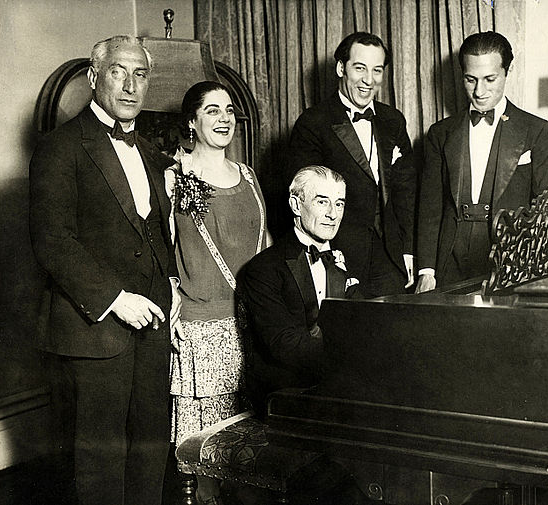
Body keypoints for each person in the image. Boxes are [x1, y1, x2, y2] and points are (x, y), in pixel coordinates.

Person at [29, 35, 180, 505]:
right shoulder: (60, 147)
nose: (132, 85)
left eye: (141, 74)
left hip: (153, 327)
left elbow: (155, 228)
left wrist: (171, 282)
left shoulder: (153, 152)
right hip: (93, 329)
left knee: (150, 452)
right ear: (95, 78)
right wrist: (116, 299)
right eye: (119, 72)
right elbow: (52, 240)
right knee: (98, 465)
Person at [167, 81, 269, 505]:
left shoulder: (247, 176)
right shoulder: (174, 178)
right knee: (205, 454)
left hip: (249, 326)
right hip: (201, 330)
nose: (224, 118)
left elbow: (265, 251)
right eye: (211, 110)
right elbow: (161, 248)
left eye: (228, 110)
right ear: (192, 121)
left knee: (248, 453)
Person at [415, 31, 548, 292]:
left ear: (507, 71)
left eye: (490, 79)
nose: (479, 91)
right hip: (449, 260)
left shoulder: (537, 131)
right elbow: (430, 207)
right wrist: (427, 270)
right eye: (470, 80)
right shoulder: (440, 133)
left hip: (511, 260)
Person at [287, 32, 416, 297]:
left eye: (377, 70)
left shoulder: (393, 121)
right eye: (360, 68)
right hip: (337, 257)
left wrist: (409, 250)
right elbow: (304, 199)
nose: (369, 80)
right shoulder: (313, 123)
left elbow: (406, 192)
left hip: (390, 257)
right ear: (340, 68)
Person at [242, 165, 359, 417]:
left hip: (341, 387)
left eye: (339, 204)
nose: (333, 214)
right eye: (322, 202)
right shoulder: (263, 269)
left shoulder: (347, 259)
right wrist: (356, 360)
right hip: (289, 395)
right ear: (296, 205)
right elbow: (285, 345)